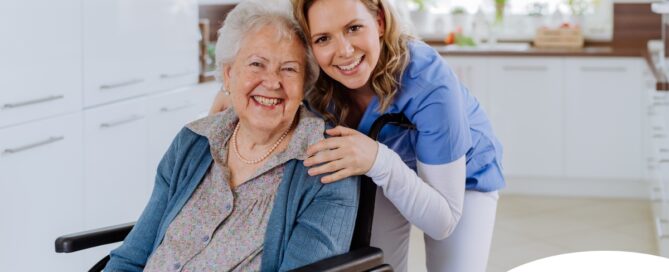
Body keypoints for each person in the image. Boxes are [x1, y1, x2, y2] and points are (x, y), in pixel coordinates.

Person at [104, 1, 359, 271]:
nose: (272, 82)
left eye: (289, 69)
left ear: (305, 84)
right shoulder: (193, 141)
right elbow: (131, 257)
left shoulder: (327, 165)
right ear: (229, 74)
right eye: (257, 64)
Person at [290, 0, 505, 271]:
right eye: (323, 38)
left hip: (462, 176)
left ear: (379, 21)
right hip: (377, 167)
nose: (344, 51)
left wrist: (379, 160)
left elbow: (443, 222)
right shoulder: (313, 80)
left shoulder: (427, 82)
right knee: (377, 264)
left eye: (354, 28)